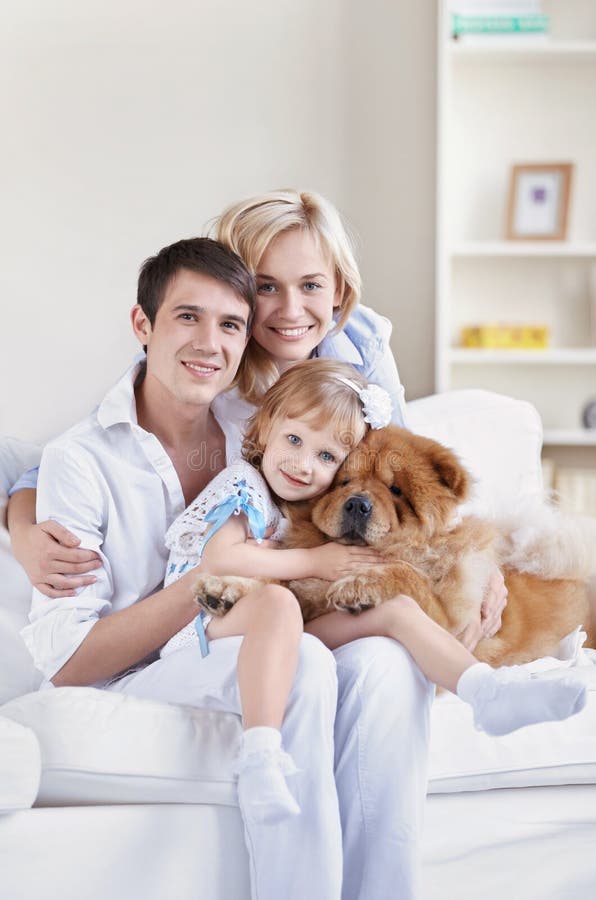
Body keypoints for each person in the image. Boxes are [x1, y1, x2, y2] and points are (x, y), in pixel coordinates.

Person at [8, 190, 507, 897]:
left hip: (274, 614)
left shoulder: (349, 375)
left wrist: (478, 564)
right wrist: (23, 526)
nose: (288, 310)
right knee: (300, 656)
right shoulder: (214, 392)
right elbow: (48, 459)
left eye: (310, 287)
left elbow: (417, 487)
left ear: (338, 294)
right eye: (264, 289)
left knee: (387, 665)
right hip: (222, 625)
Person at [162, 356, 586, 740]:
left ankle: (488, 692)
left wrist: (416, 576)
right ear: (266, 431)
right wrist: (309, 561)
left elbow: (449, 623)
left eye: (395, 491)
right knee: (349, 609)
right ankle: (486, 693)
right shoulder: (251, 491)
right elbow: (242, 568)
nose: (361, 501)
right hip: (214, 634)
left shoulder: (434, 538)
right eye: (346, 483)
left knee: (396, 608)